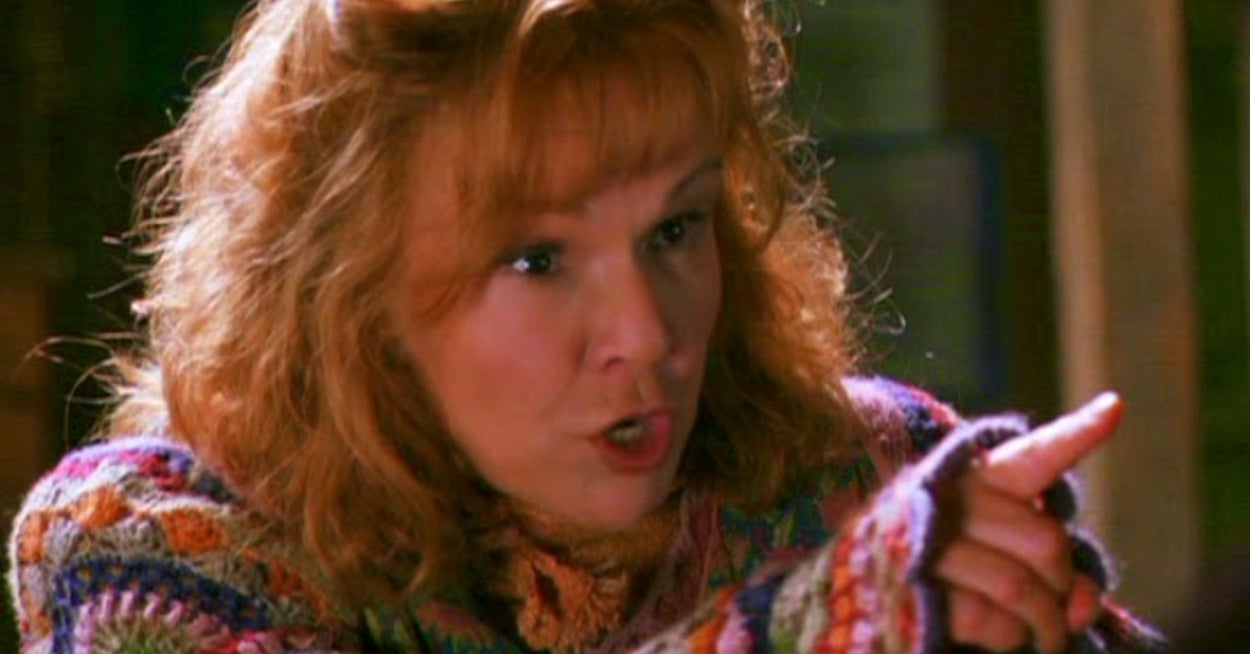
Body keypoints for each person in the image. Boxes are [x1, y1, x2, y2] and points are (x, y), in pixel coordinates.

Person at [7, 1, 1165, 652]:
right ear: (347, 295)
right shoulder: (145, 550)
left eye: (675, 229)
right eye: (537, 259)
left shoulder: (874, 478)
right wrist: (819, 629)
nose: (644, 333)